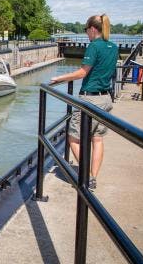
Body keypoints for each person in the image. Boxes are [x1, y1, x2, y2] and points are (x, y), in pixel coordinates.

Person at [50, 14, 118, 190]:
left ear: (93, 29)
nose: (86, 34)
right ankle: (93, 177)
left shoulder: (94, 46)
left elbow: (82, 73)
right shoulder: (113, 46)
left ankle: (86, 175)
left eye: (86, 30)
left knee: (73, 138)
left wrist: (60, 78)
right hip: (106, 98)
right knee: (97, 139)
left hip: (90, 99)